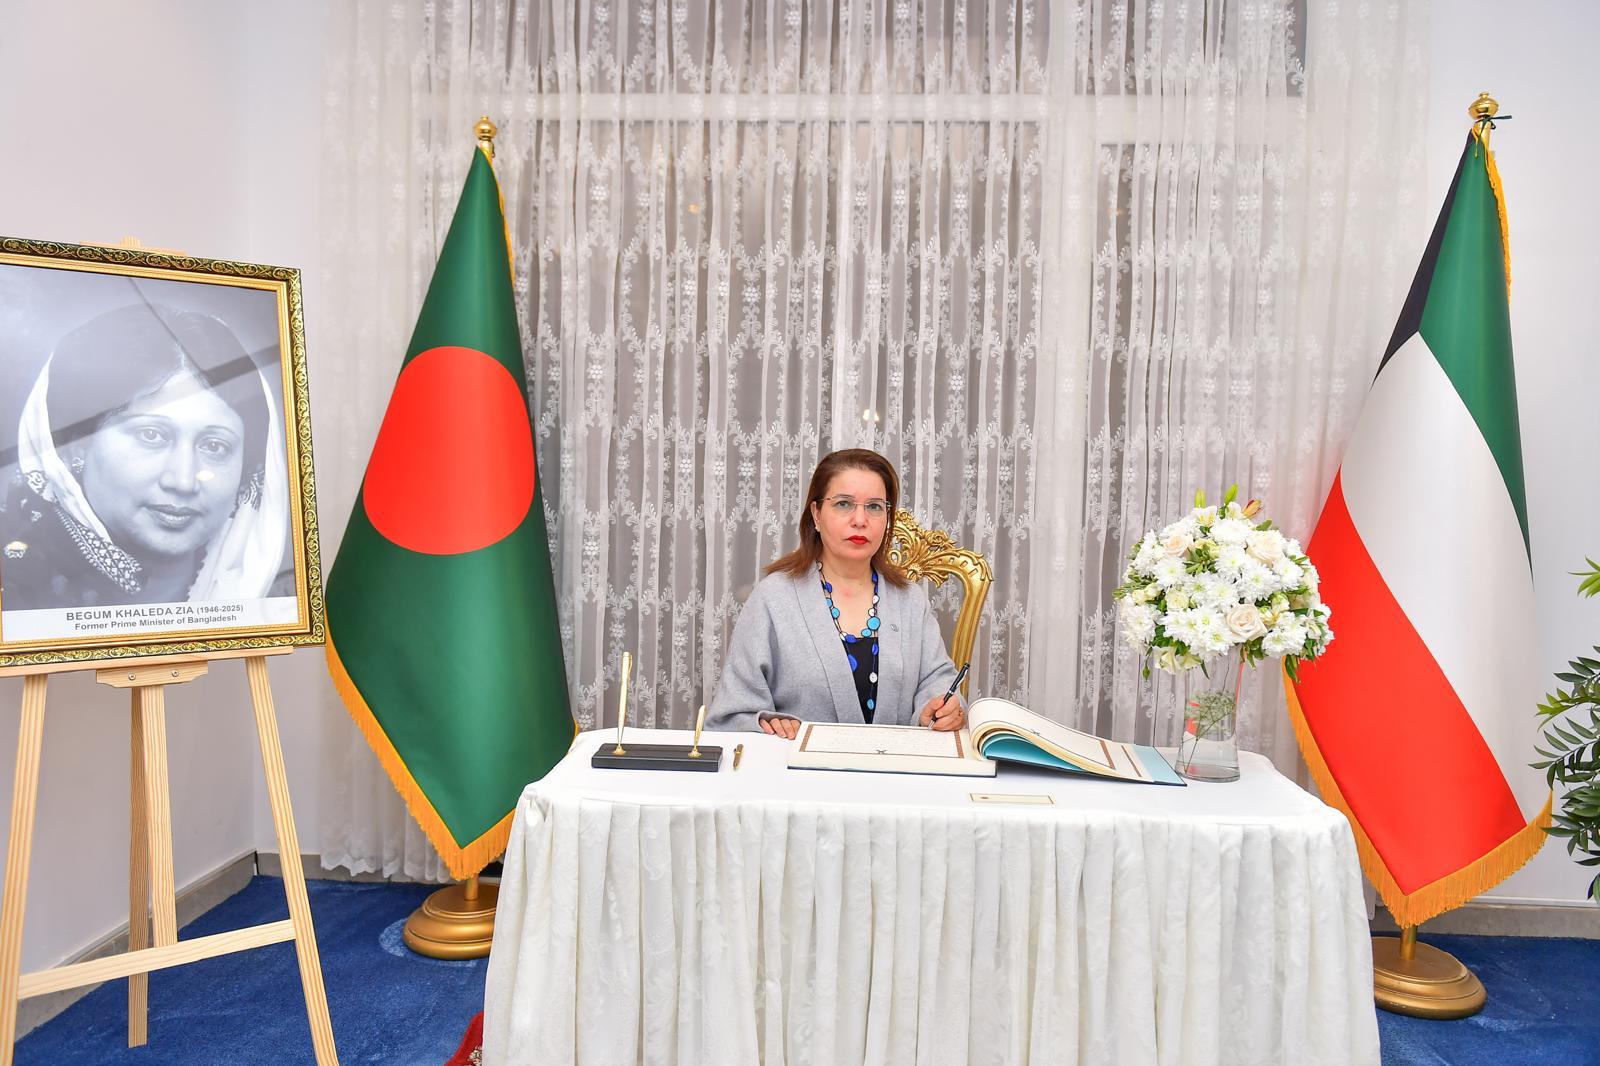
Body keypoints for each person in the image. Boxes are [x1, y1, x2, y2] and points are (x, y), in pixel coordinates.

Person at [0, 302, 289, 610]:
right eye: (151, 435)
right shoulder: (14, 588)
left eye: (214, 446)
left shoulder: (276, 599)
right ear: (76, 444)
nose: (183, 480)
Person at [706, 448, 964, 737]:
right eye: (844, 504)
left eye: (874, 507)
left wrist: (940, 707)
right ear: (816, 514)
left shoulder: (910, 599)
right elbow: (732, 715)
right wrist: (768, 724)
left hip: (895, 764)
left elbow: (938, 679)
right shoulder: (773, 599)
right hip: (798, 766)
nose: (860, 520)